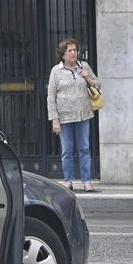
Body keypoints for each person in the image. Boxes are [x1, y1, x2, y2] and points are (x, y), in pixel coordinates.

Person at [47, 38, 98, 192]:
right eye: (69, 50)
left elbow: (98, 84)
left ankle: (86, 181)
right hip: (64, 117)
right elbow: (51, 96)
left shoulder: (84, 66)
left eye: (75, 50)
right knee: (67, 150)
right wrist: (55, 119)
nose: (73, 53)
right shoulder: (56, 71)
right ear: (63, 54)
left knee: (84, 149)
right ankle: (68, 180)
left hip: (83, 115)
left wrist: (87, 76)